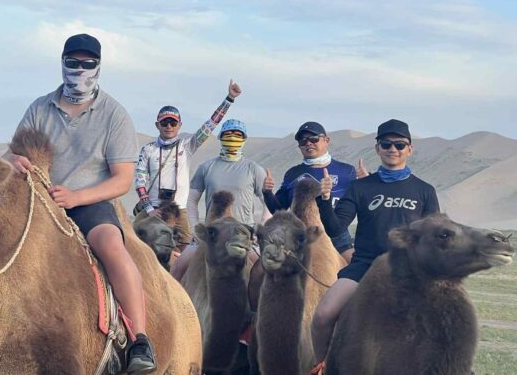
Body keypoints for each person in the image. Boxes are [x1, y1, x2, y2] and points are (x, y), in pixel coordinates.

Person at [4, 34, 156, 373]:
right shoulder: (40, 108)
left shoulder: (114, 115)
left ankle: (140, 340)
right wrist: (10, 161)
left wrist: (76, 197)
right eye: (73, 62)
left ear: (98, 67)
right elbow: (11, 153)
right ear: (62, 63)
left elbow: (122, 179)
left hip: (88, 202)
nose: (79, 69)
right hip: (38, 203)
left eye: (88, 64)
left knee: (111, 245)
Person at [308, 119, 440, 375]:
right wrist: (324, 201)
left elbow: (433, 237)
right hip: (363, 267)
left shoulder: (424, 191)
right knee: (323, 316)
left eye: (399, 144)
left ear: (409, 149)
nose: (393, 149)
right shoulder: (361, 187)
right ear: (377, 148)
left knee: (442, 321)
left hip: (407, 272)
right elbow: (336, 228)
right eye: (387, 144)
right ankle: (323, 365)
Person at [134, 81, 242, 250]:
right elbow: (140, 182)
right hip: (153, 209)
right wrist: (148, 208)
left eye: (173, 123)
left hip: (179, 211)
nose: (169, 126)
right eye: (164, 123)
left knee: (187, 251)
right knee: (132, 246)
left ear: (180, 125)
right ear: (157, 125)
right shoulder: (147, 150)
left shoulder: (187, 146)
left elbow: (210, 125)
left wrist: (229, 99)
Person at [171, 119, 270, 280]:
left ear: (244, 139)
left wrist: (260, 229)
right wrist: (197, 229)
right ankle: (173, 305)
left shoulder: (254, 169)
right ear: (220, 137)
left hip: (244, 234)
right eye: (228, 134)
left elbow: (269, 202)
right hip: (211, 234)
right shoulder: (206, 167)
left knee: (265, 272)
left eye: (238, 134)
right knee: (177, 268)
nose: (232, 137)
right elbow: (192, 201)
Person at [262, 121, 357, 262]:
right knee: (261, 270)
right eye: (303, 141)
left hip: (337, 237)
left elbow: (360, 203)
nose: (308, 143)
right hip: (299, 237)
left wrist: (366, 182)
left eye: (314, 139)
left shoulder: (347, 171)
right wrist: (267, 192)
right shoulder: (293, 173)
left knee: (360, 271)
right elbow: (278, 209)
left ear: (326, 140)